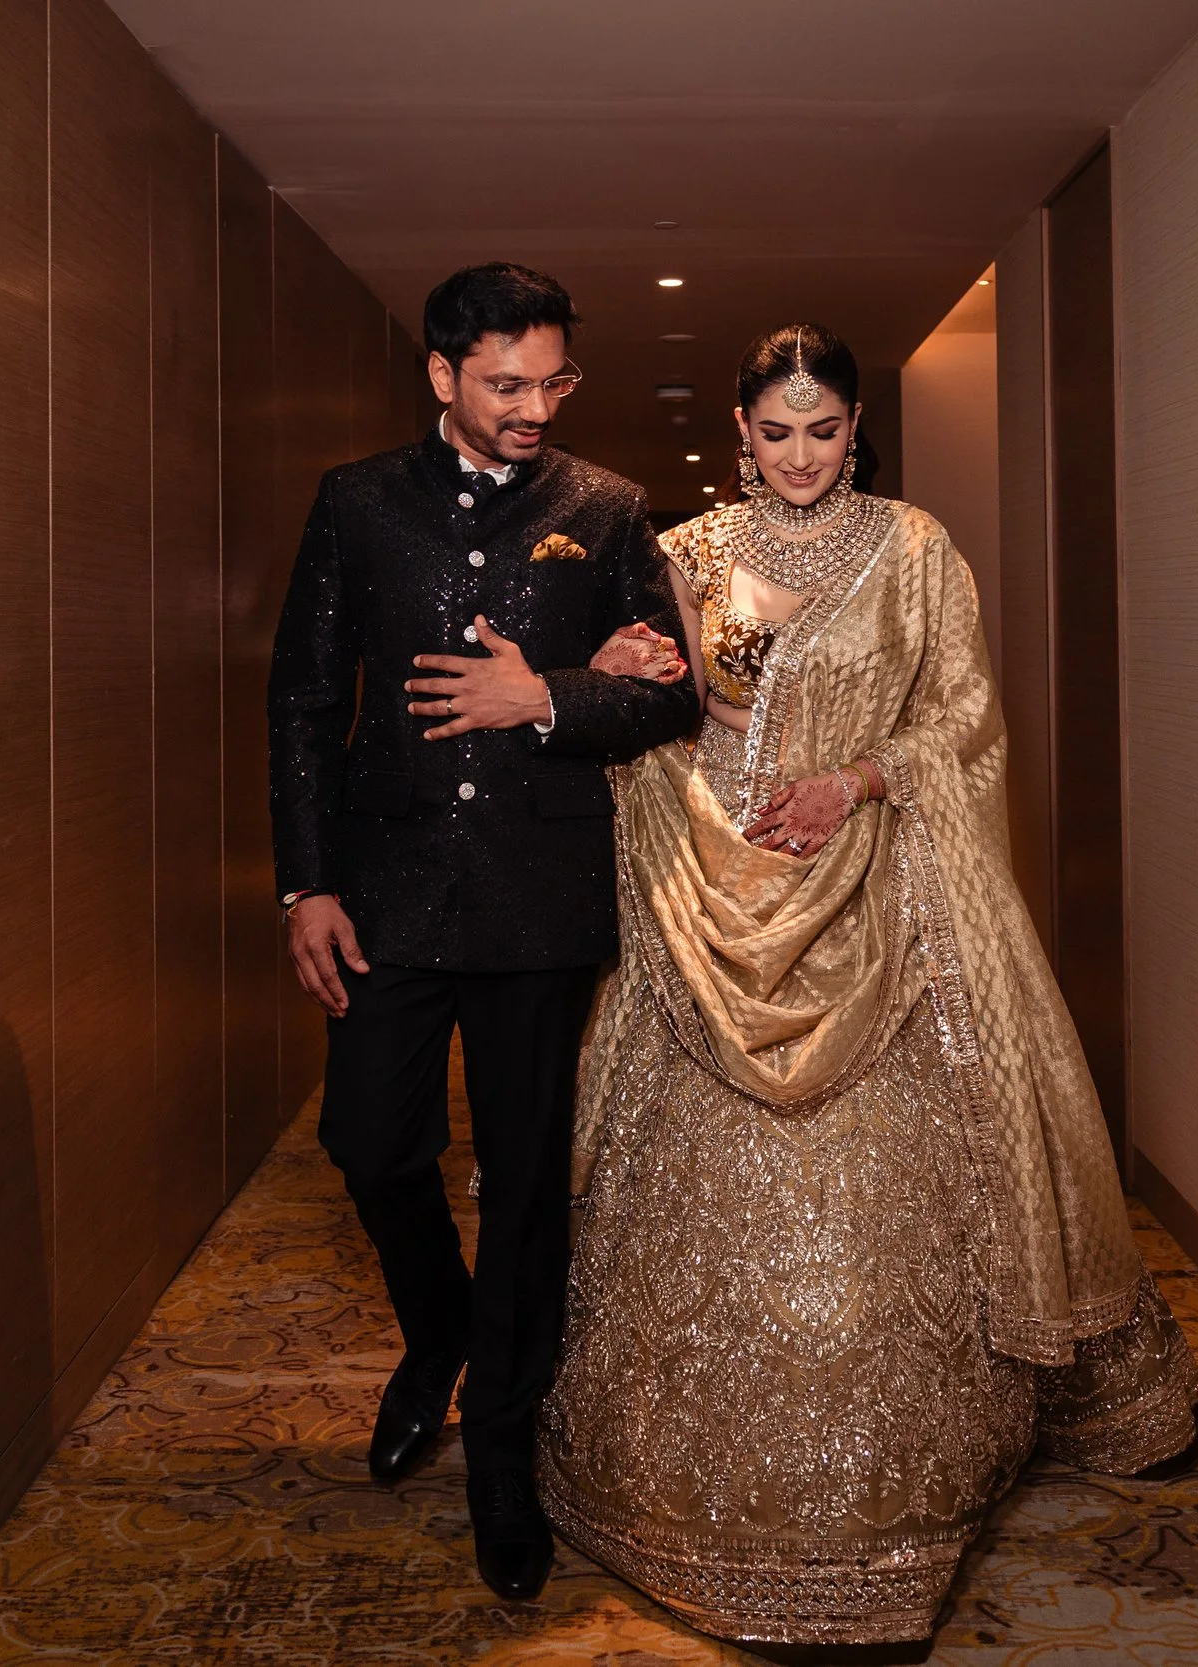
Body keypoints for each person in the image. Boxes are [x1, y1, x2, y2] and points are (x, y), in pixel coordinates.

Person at [541, 324, 1198, 1652]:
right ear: (740, 432)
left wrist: (850, 784)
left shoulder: (913, 550)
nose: (799, 455)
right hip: (706, 887)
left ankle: (903, 1499)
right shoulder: (682, 554)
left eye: (824, 429)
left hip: (870, 876)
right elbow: (642, 707)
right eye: (775, 432)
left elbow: (962, 718)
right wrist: (617, 679)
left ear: (857, 430)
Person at [267, 262, 698, 1603]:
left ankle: (505, 1452)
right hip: (387, 892)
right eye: (506, 384)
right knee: (368, 1140)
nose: (533, 408)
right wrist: (307, 885)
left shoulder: (609, 510)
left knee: (524, 1181)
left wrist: (550, 695)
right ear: (444, 375)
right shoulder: (357, 503)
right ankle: (441, 1330)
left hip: (538, 896)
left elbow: (674, 698)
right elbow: (299, 702)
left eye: (552, 383)